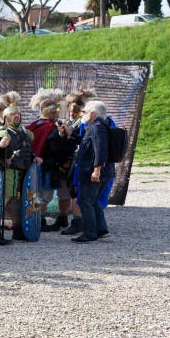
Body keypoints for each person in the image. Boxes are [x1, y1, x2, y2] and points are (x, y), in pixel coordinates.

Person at [0, 92, 42, 242]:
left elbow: (28, 150)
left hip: (23, 173)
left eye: (18, 114)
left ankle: (18, 231)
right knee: (2, 201)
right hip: (8, 172)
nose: (16, 117)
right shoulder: (2, 132)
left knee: (17, 204)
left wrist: (34, 157)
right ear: (6, 118)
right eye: (13, 115)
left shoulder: (25, 133)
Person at [26, 88, 75, 232]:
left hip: (39, 165)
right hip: (47, 166)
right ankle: (38, 221)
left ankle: (53, 219)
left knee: (44, 194)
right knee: (44, 195)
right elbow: (55, 149)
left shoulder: (33, 125)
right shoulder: (51, 128)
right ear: (53, 112)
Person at [72, 100, 115, 243]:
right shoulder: (97, 126)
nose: (82, 114)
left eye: (85, 111)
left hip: (92, 171)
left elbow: (100, 150)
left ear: (93, 113)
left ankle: (90, 233)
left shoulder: (97, 127)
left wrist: (97, 170)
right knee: (93, 200)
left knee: (85, 201)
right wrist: (69, 134)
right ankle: (102, 231)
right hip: (98, 170)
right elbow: (88, 144)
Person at [61, 87, 96, 236]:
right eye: (70, 111)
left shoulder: (82, 124)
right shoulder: (77, 122)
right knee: (73, 190)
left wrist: (69, 135)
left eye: (74, 112)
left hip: (78, 160)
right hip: (76, 159)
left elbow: (80, 142)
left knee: (75, 190)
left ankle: (78, 222)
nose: (72, 114)